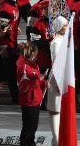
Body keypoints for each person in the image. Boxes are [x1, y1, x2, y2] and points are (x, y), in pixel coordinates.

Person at [16, 42, 48, 146]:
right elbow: (25, 86)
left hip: (35, 98)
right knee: (28, 126)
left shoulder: (32, 65)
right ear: (33, 53)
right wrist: (40, 79)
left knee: (33, 126)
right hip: (29, 99)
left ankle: (30, 142)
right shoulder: (24, 67)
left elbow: (36, 78)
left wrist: (44, 82)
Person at [47, 16, 69, 146]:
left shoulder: (63, 40)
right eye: (65, 25)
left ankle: (58, 136)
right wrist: (60, 82)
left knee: (60, 108)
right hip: (57, 78)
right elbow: (56, 63)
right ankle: (55, 138)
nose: (67, 27)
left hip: (63, 77)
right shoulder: (56, 42)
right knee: (55, 108)